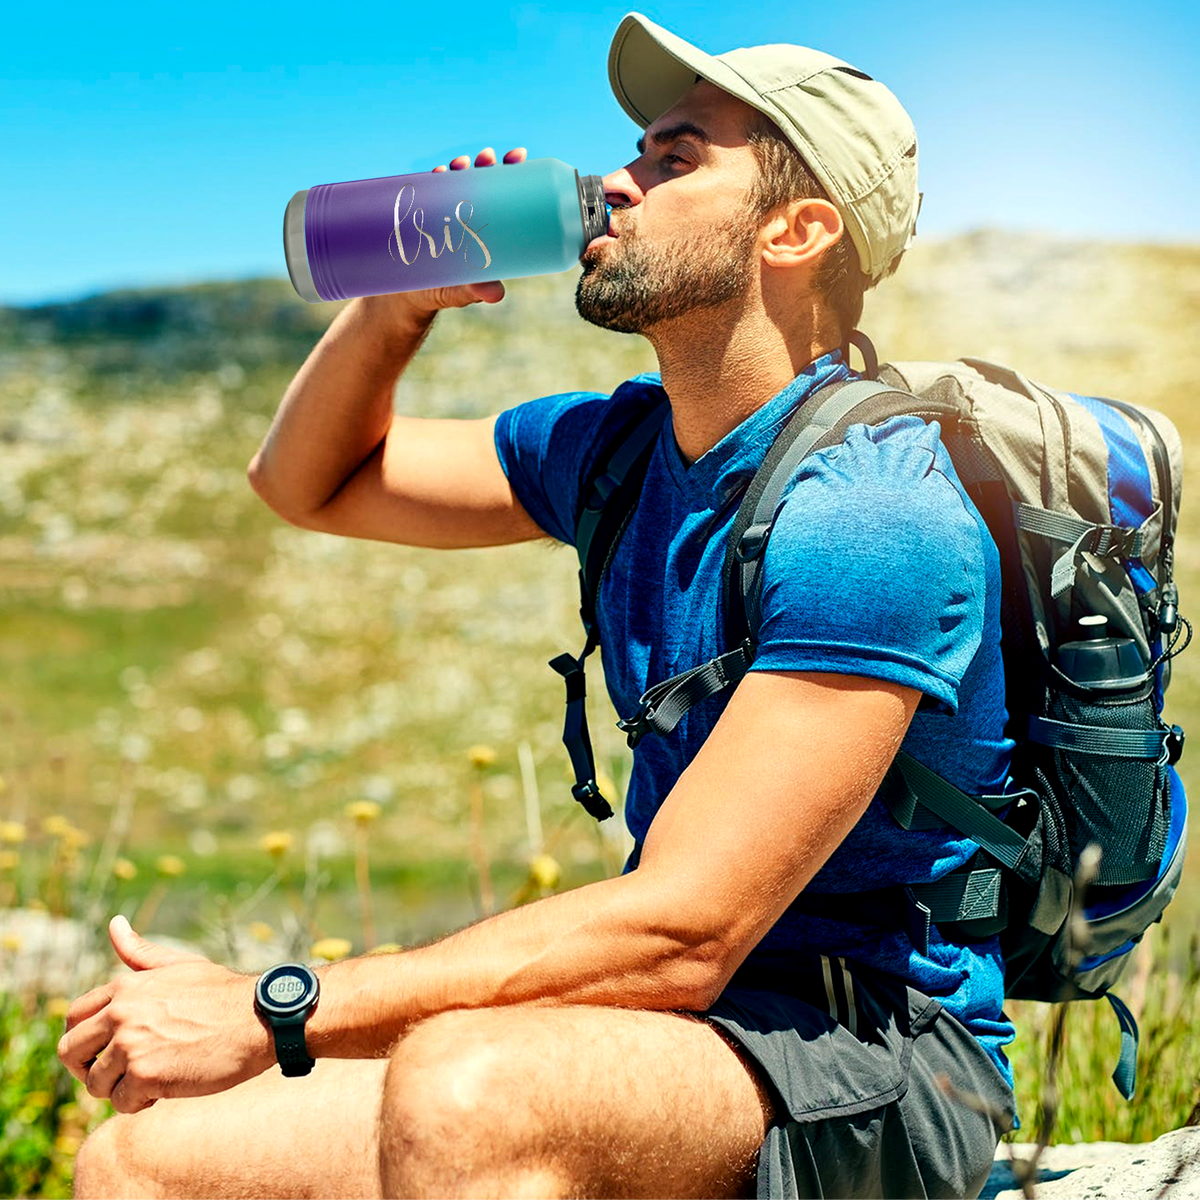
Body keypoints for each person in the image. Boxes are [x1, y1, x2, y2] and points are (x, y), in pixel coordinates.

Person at [59, 12, 1018, 1199]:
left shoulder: (875, 513)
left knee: (468, 1091)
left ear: (798, 228)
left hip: (881, 1059)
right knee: (145, 1160)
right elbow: (310, 485)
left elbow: (682, 931)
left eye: (674, 159)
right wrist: (394, 304)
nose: (617, 181)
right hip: (682, 1037)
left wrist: (277, 1010)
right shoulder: (613, 448)